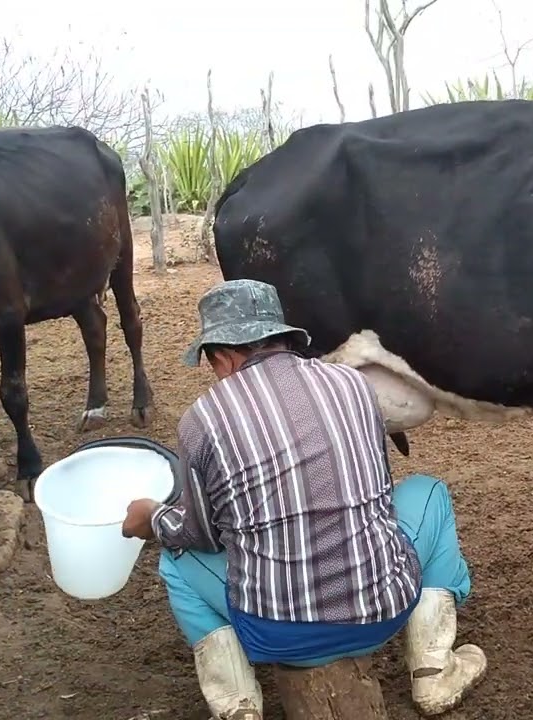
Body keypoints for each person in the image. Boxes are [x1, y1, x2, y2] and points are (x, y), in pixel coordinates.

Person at [122, 279, 487, 720]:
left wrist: (153, 518)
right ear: (283, 338)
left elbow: (200, 535)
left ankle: (236, 704)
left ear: (221, 356)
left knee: (175, 563)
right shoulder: (352, 385)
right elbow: (381, 500)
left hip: (275, 634)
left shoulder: (202, 420)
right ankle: (433, 668)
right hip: (384, 612)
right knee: (430, 492)